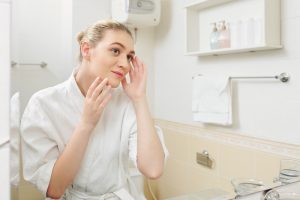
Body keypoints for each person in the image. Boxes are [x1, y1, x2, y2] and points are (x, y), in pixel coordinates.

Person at [21, 19, 168, 200]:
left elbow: (153, 169)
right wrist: (86, 124)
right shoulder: (43, 104)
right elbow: (54, 189)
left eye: (129, 56)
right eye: (115, 51)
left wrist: (139, 98)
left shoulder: (126, 102)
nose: (125, 64)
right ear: (86, 50)